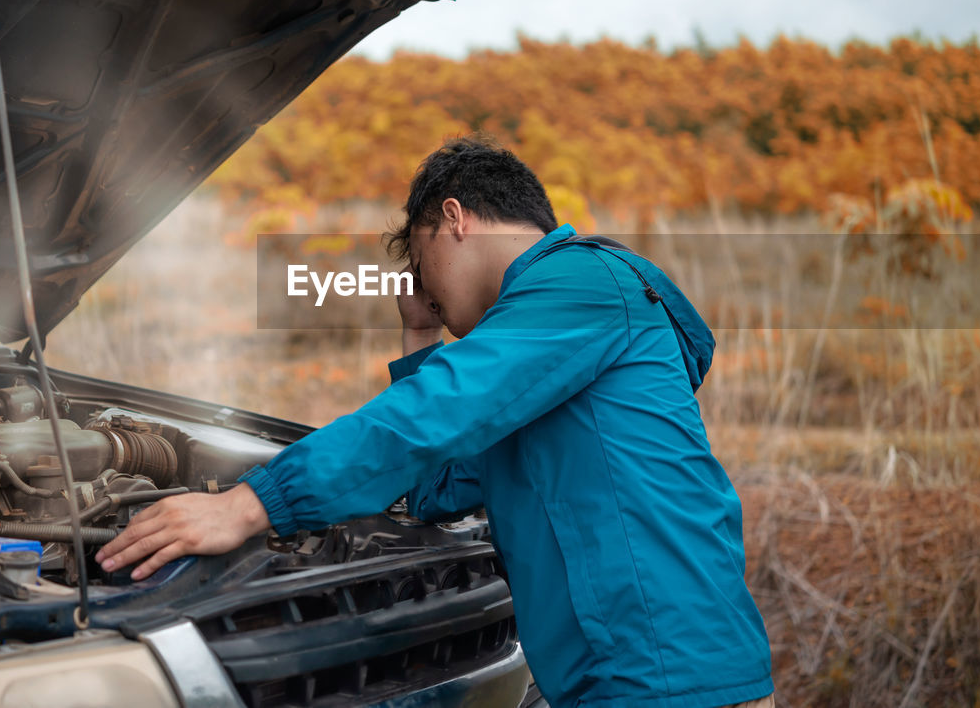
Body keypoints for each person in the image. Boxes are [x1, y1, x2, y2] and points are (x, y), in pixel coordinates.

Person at [97, 137, 774, 708]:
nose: (423, 291)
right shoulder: (540, 358)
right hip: (623, 678)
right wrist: (420, 337)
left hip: (667, 680)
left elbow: (434, 411)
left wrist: (251, 505)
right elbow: (437, 485)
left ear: (455, 218)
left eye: (420, 267)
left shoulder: (582, 285)